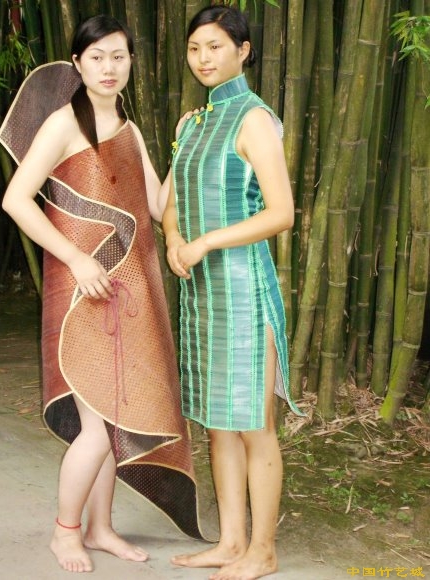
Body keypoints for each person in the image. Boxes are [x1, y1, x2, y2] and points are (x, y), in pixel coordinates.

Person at [0, 14, 203, 575]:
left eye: (118, 56)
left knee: (113, 420)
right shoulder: (63, 123)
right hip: (84, 292)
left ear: (131, 61)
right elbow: (17, 200)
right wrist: (76, 257)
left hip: (128, 288)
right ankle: (65, 533)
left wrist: (184, 148)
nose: (109, 67)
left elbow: (157, 208)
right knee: (95, 428)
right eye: (96, 57)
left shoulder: (129, 131)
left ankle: (100, 528)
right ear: (78, 64)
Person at [163, 5, 305, 580]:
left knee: (253, 422)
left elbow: (281, 213)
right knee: (218, 422)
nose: (203, 58)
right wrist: (175, 239)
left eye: (215, 46)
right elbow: (171, 201)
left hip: (244, 289)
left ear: (243, 51)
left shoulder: (255, 119)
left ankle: (263, 551)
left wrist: (205, 242)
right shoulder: (191, 124)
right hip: (201, 291)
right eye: (195, 48)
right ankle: (230, 542)